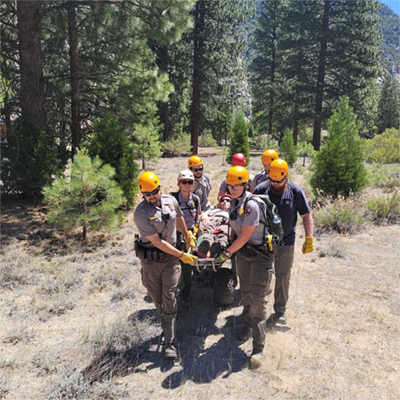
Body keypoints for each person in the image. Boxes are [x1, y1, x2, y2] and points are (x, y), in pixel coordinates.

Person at [213, 166, 275, 368]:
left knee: (257, 299)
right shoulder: (235, 202)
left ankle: (258, 347)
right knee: (246, 293)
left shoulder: (252, 206)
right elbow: (234, 226)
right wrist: (229, 240)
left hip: (260, 255)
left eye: (237, 185)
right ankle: (247, 326)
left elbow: (246, 236)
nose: (232, 189)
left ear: (246, 184)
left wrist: (226, 253)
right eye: (230, 185)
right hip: (244, 254)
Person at [133, 171, 197, 359]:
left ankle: (170, 343)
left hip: (170, 261)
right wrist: (182, 255)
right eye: (147, 194)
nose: (151, 196)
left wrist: (187, 235)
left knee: (169, 297)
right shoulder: (141, 213)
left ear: (160, 188)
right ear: (142, 194)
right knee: (158, 300)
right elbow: (158, 243)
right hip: (151, 262)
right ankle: (168, 326)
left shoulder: (171, 201)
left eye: (154, 191)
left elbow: (179, 218)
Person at [253, 159, 314, 325]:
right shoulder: (260, 189)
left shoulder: (295, 191)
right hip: (264, 241)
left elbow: (306, 216)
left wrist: (309, 238)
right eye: (272, 180)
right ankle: (259, 308)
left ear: (286, 177)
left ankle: (280, 311)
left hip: (286, 240)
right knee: (263, 275)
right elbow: (251, 216)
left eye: (279, 181)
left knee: (283, 275)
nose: (275, 184)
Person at [170, 170, 201, 307]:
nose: (187, 185)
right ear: (179, 183)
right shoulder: (172, 199)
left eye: (190, 182)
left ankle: (185, 294)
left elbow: (198, 214)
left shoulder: (195, 199)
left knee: (187, 265)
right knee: (172, 264)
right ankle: (171, 292)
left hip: (191, 235)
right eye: (184, 182)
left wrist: (196, 226)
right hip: (174, 234)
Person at [196, 193, 232, 258]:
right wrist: (204, 216)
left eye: (227, 200)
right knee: (208, 230)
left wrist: (230, 220)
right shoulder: (214, 210)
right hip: (212, 219)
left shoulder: (232, 211)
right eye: (222, 200)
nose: (224, 202)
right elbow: (202, 215)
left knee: (223, 232)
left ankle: (219, 247)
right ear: (220, 203)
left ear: (231, 203)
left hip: (225, 222)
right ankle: (205, 246)